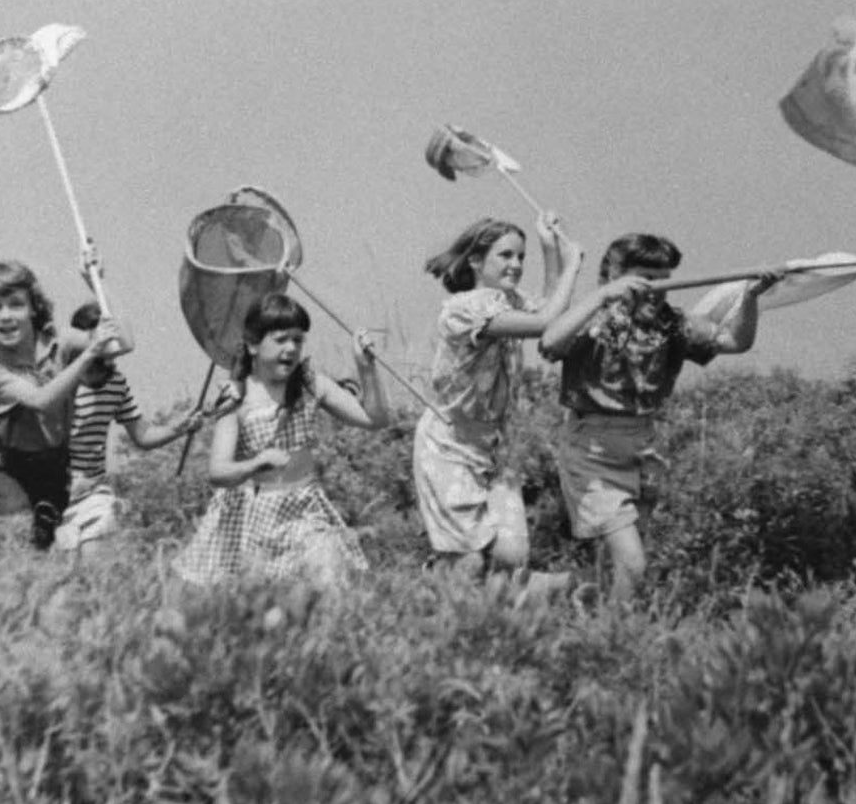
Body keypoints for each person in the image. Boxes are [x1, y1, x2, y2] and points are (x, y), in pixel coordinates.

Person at [540, 233, 777, 602]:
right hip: (592, 449)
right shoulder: (594, 316)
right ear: (615, 275)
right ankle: (614, 638)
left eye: (663, 278)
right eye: (645, 278)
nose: (656, 289)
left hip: (642, 450)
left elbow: (735, 342)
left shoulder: (672, 323)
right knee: (633, 565)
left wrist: (751, 295)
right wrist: (604, 294)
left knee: (615, 568)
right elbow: (550, 343)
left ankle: (531, 588)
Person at [175, 292, 389, 587]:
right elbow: (218, 472)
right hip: (248, 518)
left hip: (302, 509)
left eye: (298, 340)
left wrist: (366, 369)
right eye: (280, 340)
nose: (291, 348)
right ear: (252, 345)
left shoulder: (311, 385)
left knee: (328, 576)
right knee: (254, 603)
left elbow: (374, 420)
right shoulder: (237, 397)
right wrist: (257, 462)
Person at [415, 215, 583, 580]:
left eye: (521, 257)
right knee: (468, 560)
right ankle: (438, 595)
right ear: (476, 260)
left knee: (512, 554)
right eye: (505, 255)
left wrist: (549, 247)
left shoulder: (507, 301)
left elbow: (548, 311)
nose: (516, 265)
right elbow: (544, 324)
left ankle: (485, 615)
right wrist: (572, 267)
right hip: (448, 448)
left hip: (493, 447)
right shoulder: (465, 308)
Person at [0, 259, 124, 550]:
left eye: (15, 304)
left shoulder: (59, 341)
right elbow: (41, 401)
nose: (6, 316)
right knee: (21, 529)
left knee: (47, 544)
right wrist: (88, 355)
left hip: (55, 466)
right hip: (7, 467)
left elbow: (120, 344)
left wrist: (97, 285)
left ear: (33, 307)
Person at [51, 302, 206, 556]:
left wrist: (180, 427)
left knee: (96, 574)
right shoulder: (62, 378)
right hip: (55, 495)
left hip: (93, 494)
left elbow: (142, 435)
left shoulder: (116, 383)